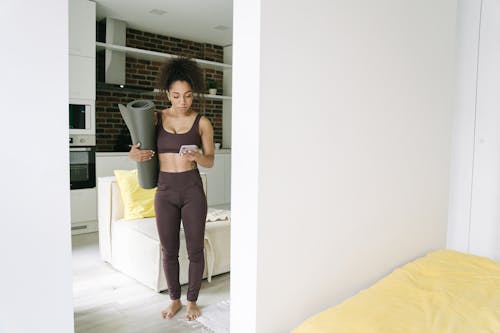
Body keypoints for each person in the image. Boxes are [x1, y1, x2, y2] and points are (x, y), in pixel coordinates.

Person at [128, 57, 215, 321]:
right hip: (165, 190)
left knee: (195, 248)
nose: (182, 101)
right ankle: (175, 299)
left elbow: (210, 161)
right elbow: (136, 146)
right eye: (176, 95)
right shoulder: (155, 117)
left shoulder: (202, 122)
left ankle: (192, 301)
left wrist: (197, 156)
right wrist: (134, 154)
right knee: (168, 249)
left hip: (192, 189)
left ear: (193, 95)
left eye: (188, 96)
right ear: (168, 94)